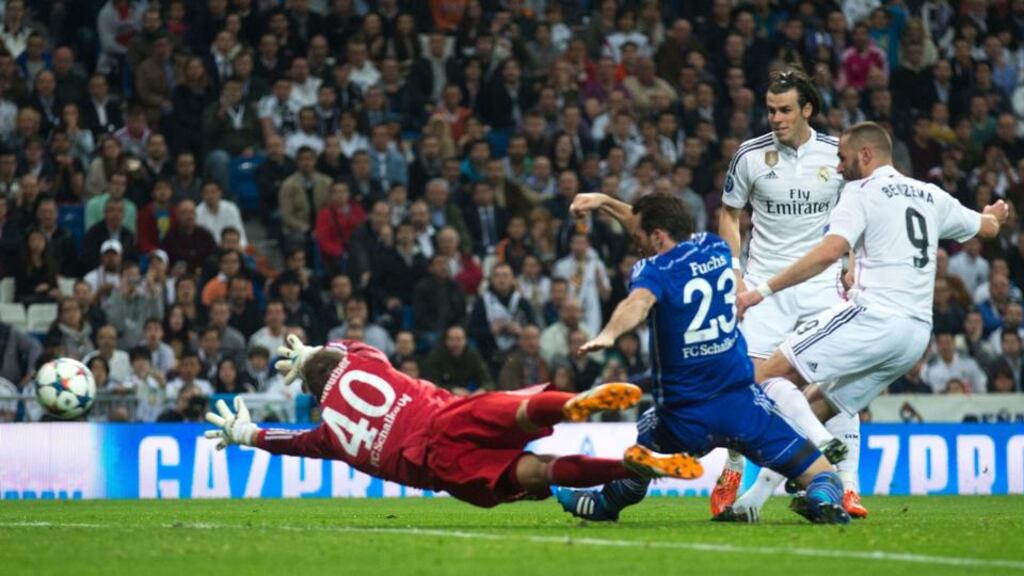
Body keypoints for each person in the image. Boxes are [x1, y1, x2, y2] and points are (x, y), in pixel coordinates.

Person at [727, 122, 1008, 521]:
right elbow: (988, 227)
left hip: (873, 317)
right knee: (815, 405)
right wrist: (994, 213)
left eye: (842, 158)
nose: (838, 167)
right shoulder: (931, 195)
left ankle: (819, 444)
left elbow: (829, 252)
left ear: (864, 155)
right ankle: (753, 502)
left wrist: (761, 291)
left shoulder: (859, 191)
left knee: (766, 375)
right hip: (913, 337)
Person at [556, 193, 850, 524]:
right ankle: (823, 502)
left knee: (644, 439)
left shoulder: (654, 269)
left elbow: (636, 303)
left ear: (656, 237)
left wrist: (609, 333)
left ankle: (607, 502)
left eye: (639, 237)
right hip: (743, 408)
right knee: (824, 475)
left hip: (685, 416)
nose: (635, 243)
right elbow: (652, 222)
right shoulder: (716, 248)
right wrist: (604, 202)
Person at [205, 335, 702, 510]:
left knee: (540, 471)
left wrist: (248, 433)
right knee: (527, 410)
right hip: (451, 415)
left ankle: (628, 468)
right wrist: (319, 350)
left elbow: (293, 442)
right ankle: (579, 403)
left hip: (442, 466)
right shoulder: (366, 363)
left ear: (314, 395)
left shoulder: (330, 433)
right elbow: (354, 347)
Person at [713, 67, 859, 518]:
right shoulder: (750, 156)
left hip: (820, 284)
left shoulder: (838, 155)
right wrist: (735, 271)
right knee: (746, 385)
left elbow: (860, 213)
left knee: (837, 385)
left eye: (785, 110)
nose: (775, 118)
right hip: (764, 288)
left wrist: (853, 265)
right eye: (771, 110)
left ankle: (847, 488)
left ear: (807, 109)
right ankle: (735, 462)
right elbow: (728, 214)